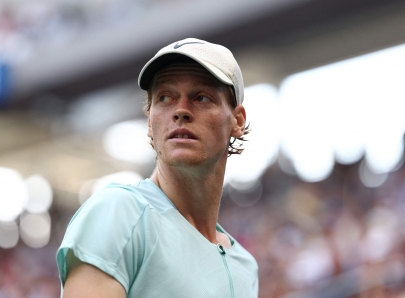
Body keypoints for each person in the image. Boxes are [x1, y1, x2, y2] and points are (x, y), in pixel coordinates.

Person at [56, 38, 258, 298]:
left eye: (202, 97)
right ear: (150, 121)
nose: (181, 110)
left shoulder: (246, 265)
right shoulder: (117, 212)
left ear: (237, 120)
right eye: (165, 98)